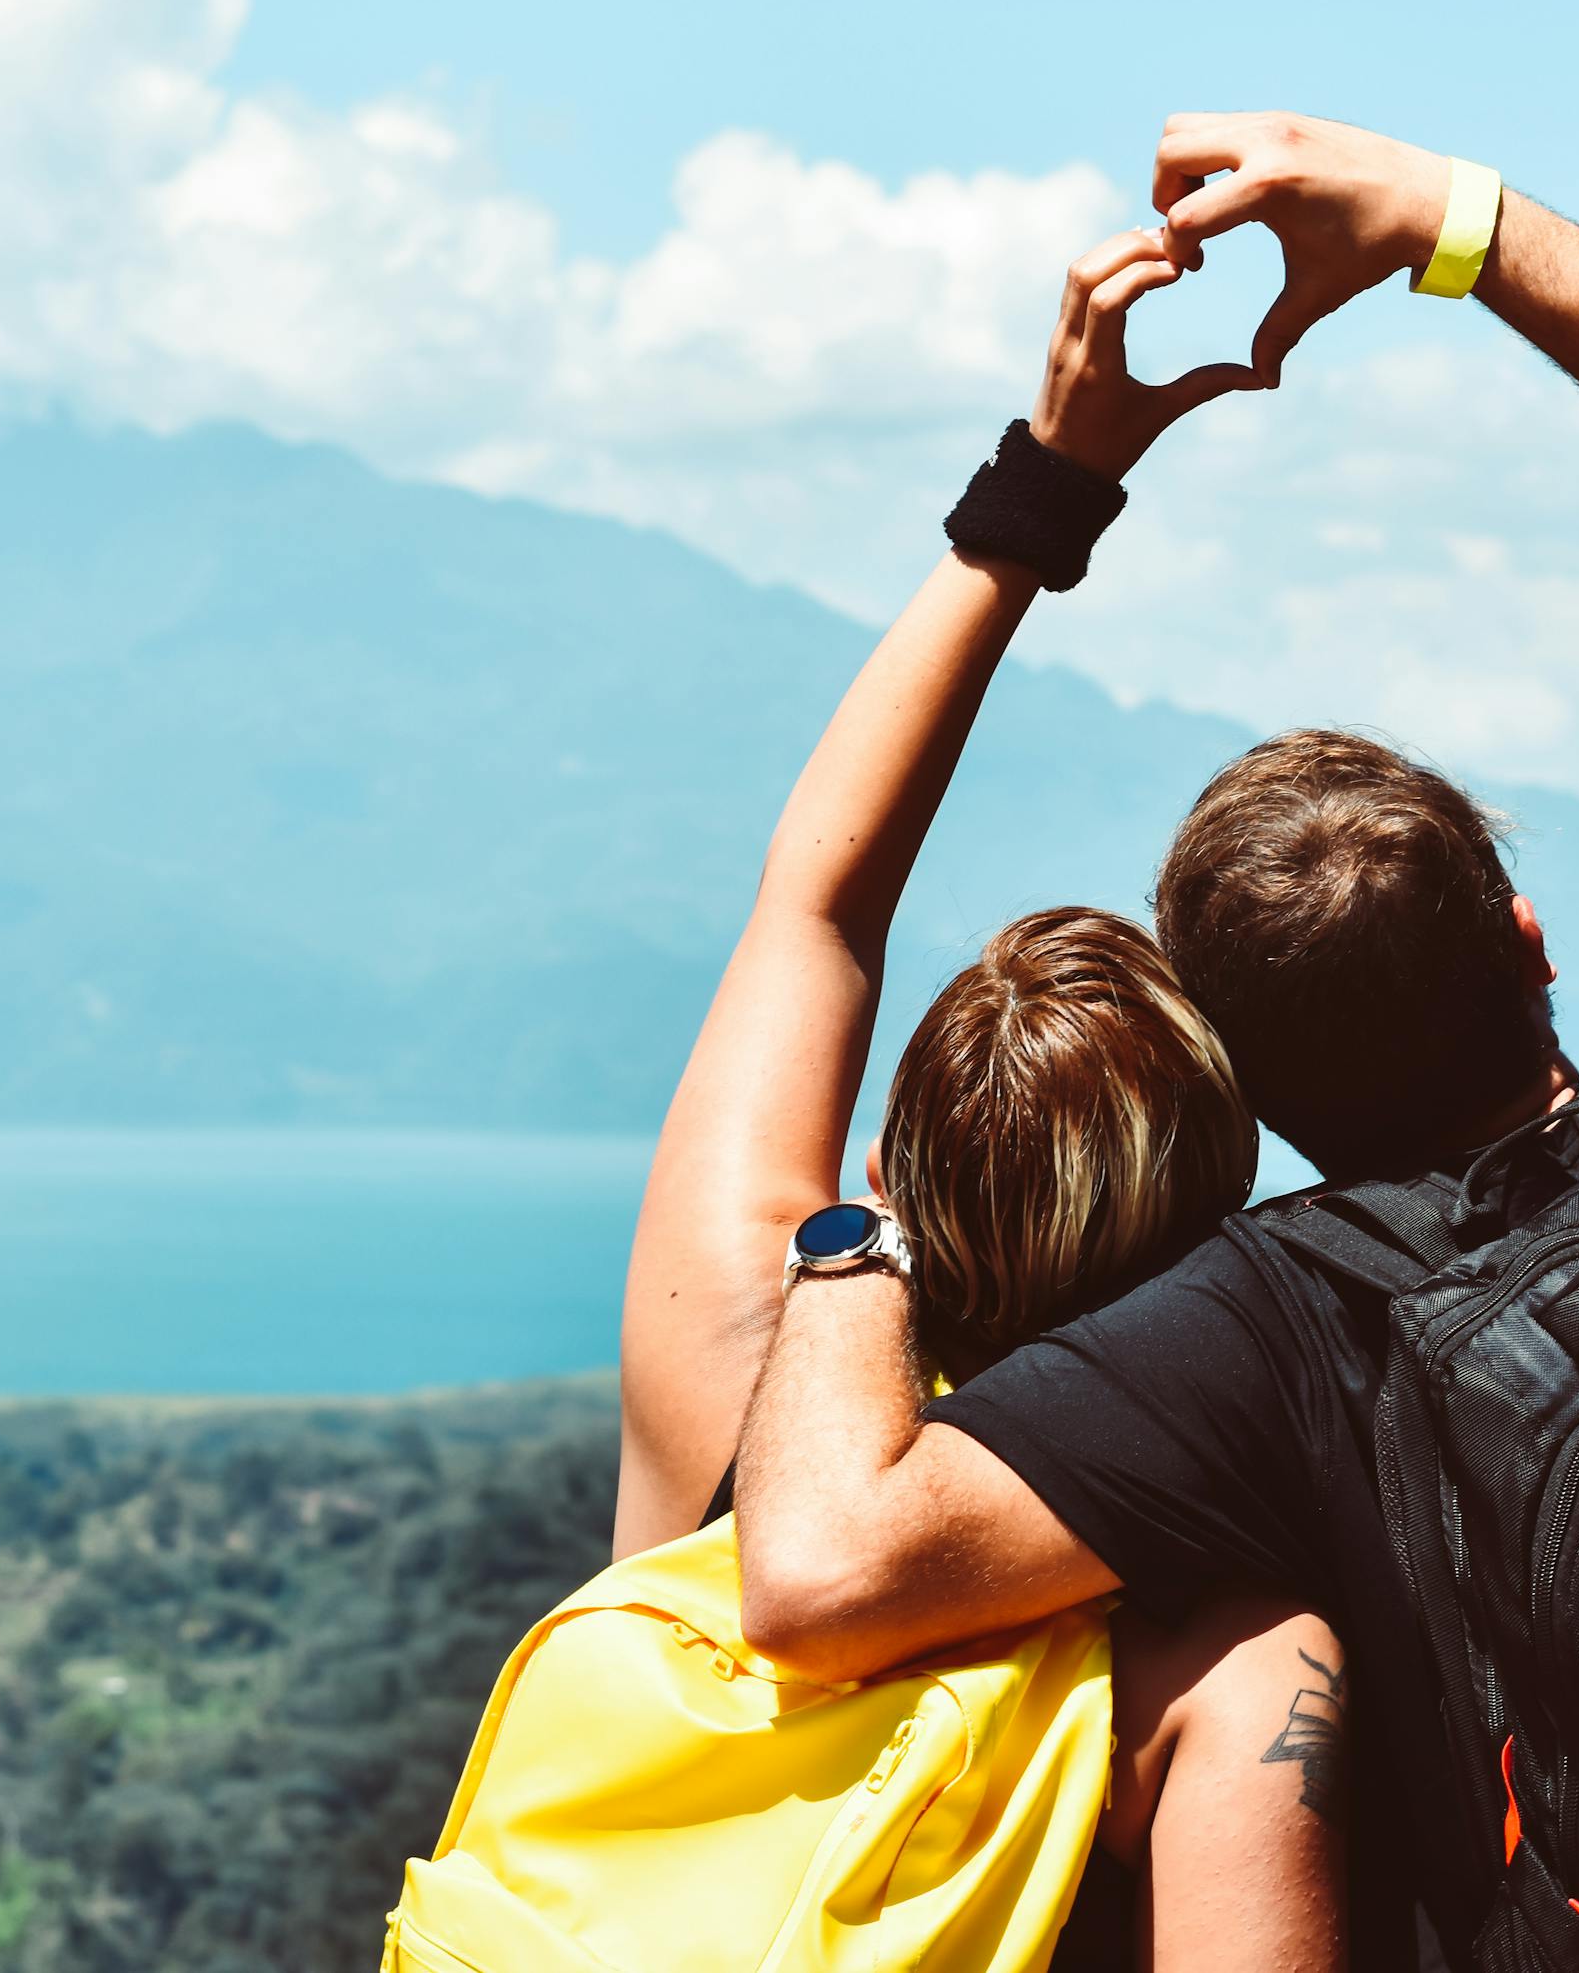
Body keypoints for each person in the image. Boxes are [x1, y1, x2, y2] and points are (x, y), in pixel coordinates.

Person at [729, 110, 1579, 1973]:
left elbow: (815, 1568)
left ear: (1253, 1092)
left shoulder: (1280, 1327)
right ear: (1528, 941)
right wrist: (1452, 224)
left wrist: (865, 1227)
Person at [616, 229, 1350, 1967]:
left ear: (890, 1165)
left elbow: (818, 899)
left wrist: (1049, 485)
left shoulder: (726, 1361)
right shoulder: (1225, 1644)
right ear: (1211, 1229)